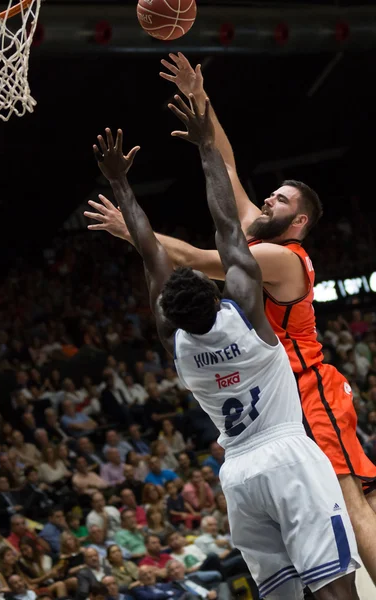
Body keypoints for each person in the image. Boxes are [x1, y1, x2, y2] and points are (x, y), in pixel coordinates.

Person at [88, 52, 376, 584]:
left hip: (305, 389)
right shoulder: (260, 235)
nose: (269, 198)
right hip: (273, 397)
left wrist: (136, 231)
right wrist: (200, 99)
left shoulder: (280, 257)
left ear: (300, 220)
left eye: (281, 199)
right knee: (326, 516)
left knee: (350, 503)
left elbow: (199, 260)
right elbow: (227, 167)